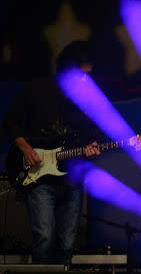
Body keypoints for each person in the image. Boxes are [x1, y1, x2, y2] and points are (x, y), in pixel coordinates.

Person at [2, 40, 102, 265]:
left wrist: (94, 147)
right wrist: (26, 149)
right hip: (39, 178)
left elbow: (94, 135)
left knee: (66, 244)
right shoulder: (38, 88)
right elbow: (10, 123)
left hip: (73, 179)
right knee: (45, 239)